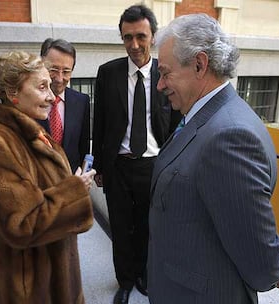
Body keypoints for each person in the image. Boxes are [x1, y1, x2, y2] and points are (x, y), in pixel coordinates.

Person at [147, 13, 279, 304]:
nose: (160, 85)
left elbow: (260, 258)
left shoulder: (229, 137)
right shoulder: (206, 114)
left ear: (200, 64)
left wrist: (273, 268)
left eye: (165, 72)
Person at [0, 51, 96, 304]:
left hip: (49, 281)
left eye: (50, 86)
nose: (51, 96)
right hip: (24, 289)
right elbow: (22, 224)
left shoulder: (31, 134)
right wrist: (74, 191)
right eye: (42, 87)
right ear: (13, 93)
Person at [92, 4, 180, 304]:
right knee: (120, 225)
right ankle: (125, 281)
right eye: (127, 37)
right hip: (118, 165)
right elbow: (99, 122)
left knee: (147, 225)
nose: (134, 45)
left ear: (152, 36)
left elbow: (177, 121)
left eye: (140, 36)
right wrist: (100, 166)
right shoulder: (108, 73)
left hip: (155, 165)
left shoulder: (165, 74)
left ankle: (143, 274)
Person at [37, 38, 90, 172]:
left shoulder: (81, 102)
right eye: (53, 70)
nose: (60, 78)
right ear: (41, 65)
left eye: (66, 71)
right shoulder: (30, 102)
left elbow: (83, 148)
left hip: (71, 181)